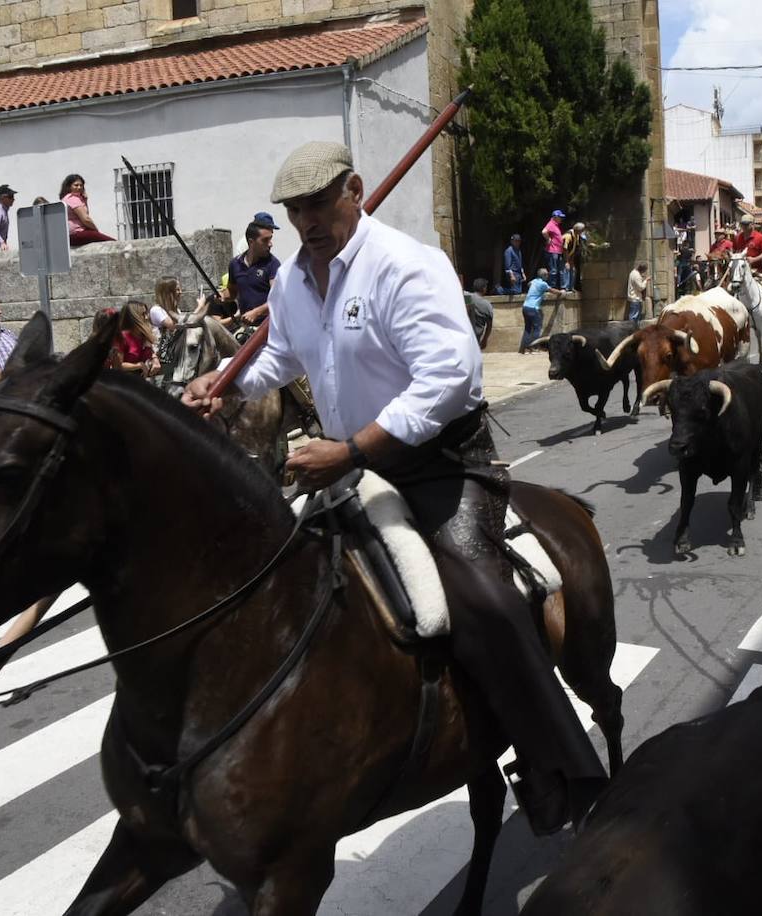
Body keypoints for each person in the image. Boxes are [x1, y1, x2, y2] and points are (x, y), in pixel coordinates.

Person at [183, 141, 608, 833]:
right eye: (296, 210)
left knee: (487, 600)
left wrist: (351, 449)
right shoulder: (293, 281)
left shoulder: (406, 267)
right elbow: (286, 354)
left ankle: (560, 767)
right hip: (349, 463)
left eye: (320, 203)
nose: (308, 221)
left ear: (353, 189)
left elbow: (448, 380)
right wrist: (226, 385)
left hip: (437, 461)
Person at [228, 212, 282, 323]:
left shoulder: (273, 264)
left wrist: (256, 312)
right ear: (251, 242)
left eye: (270, 238)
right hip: (246, 328)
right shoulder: (235, 264)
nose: (270, 244)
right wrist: (221, 296)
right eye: (265, 240)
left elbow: (277, 299)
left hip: (268, 328)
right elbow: (231, 292)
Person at [60, 174, 115, 247]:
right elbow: (86, 219)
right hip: (78, 233)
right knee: (113, 243)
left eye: (81, 185)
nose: (79, 187)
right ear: (69, 186)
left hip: (71, 235)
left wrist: (85, 200)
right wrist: (96, 231)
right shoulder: (73, 199)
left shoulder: (66, 198)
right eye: (76, 185)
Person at [520, 267, 565, 353]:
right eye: (547, 274)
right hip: (533, 308)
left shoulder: (534, 281)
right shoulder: (543, 284)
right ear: (544, 275)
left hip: (525, 307)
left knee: (528, 328)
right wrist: (561, 292)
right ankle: (533, 347)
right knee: (537, 328)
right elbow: (552, 290)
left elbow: (529, 284)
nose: (548, 276)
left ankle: (524, 348)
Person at [114, 300, 160, 377]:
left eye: (146, 313)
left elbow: (150, 353)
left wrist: (155, 359)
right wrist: (138, 365)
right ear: (134, 317)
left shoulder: (144, 335)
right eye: (143, 314)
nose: (146, 317)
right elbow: (117, 365)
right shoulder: (122, 337)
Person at [466, 277, 494, 349]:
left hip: (465, 334)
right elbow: (489, 325)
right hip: (476, 336)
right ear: (483, 288)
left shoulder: (467, 297)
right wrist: (485, 339)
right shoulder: (487, 305)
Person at [542, 208, 566, 288]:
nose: (561, 219)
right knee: (553, 270)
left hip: (558, 251)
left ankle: (559, 286)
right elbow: (544, 231)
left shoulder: (556, 225)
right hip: (553, 251)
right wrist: (548, 239)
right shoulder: (551, 224)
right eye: (560, 217)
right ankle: (551, 287)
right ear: (555, 217)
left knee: (559, 270)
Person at [562, 222, 588, 291]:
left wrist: (571, 261)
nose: (582, 232)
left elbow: (575, 248)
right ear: (578, 230)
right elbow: (565, 249)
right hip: (562, 256)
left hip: (570, 256)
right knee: (566, 269)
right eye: (581, 231)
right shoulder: (568, 236)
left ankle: (571, 287)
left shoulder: (577, 235)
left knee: (573, 270)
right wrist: (566, 261)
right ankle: (565, 287)